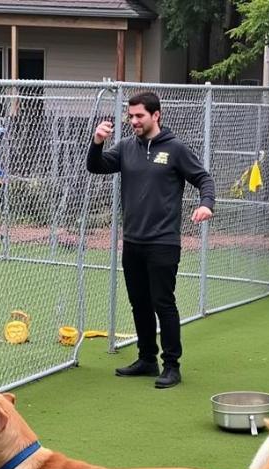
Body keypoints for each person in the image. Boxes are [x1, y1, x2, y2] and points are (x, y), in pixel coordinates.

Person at [86, 90, 215, 389]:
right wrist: (97, 142)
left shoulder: (175, 149)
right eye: (130, 116)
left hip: (164, 242)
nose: (133, 121)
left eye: (139, 116)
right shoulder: (126, 148)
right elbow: (96, 166)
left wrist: (206, 203)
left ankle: (172, 366)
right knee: (139, 303)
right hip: (132, 242)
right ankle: (147, 359)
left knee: (163, 303)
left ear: (156, 115)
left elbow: (203, 178)